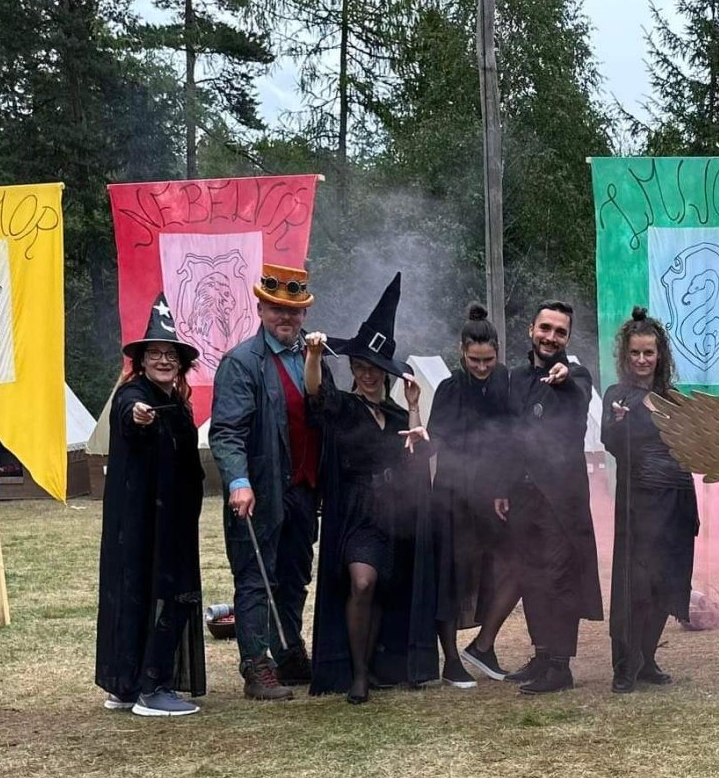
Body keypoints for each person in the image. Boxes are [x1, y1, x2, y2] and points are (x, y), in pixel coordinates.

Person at [303, 274, 458, 703]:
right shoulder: (343, 407)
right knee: (362, 582)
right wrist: (314, 355)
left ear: (386, 374)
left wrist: (414, 407)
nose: (368, 375)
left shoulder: (395, 415)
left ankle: (372, 666)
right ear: (352, 369)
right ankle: (356, 674)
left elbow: (415, 456)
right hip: (357, 514)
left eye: (375, 369)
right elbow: (315, 392)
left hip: (396, 513)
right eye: (360, 367)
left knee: (384, 593)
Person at [210, 262, 331, 700]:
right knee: (255, 578)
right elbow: (227, 431)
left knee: (295, 575)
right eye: (277, 309)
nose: (286, 317)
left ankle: (288, 651)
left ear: (304, 314)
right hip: (260, 491)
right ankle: (255, 665)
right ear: (260, 309)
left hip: (304, 490)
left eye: (294, 311)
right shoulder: (241, 363)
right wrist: (238, 481)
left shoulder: (315, 358)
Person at [96, 294, 207, 717]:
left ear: (180, 363)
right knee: (163, 596)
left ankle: (128, 686)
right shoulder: (134, 395)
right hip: (145, 524)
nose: (163, 360)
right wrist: (139, 416)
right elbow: (131, 415)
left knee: (145, 595)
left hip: (171, 522)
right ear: (141, 361)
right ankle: (151, 686)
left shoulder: (177, 402)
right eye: (155, 354)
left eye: (170, 355)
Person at [499, 300, 603, 695]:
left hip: (561, 500)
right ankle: (542, 655)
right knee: (531, 577)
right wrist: (501, 486)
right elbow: (507, 436)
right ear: (531, 329)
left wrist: (565, 376)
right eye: (545, 328)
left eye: (560, 332)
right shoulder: (515, 377)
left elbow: (577, 389)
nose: (551, 337)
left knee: (560, 578)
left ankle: (561, 666)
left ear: (568, 338)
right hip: (522, 495)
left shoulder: (577, 375)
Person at [602, 307, 700, 693]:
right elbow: (610, 443)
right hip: (638, 506)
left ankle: (646, 659)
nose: (642, 360)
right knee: (636, 586)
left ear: (660, 355)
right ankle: (625, 665)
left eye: (649, 353)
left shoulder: (672, 398)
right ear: (625, 356)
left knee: (665, 583)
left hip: (675, 502)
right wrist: (618, 423)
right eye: (635, 353)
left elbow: (689, 449)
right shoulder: (617, 396)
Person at [438, 305, 519, 683]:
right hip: (453, 495)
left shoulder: (506, 382)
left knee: (513, 567)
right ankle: (450, 659)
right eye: (474, 360)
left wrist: (503, 485)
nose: (482, 367)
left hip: (495, 495)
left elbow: (513, 438)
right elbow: (437, 442)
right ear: (461, 351)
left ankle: (484, 645)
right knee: (452, 577)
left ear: (498, 352)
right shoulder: (449, 388)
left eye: (488, 360)